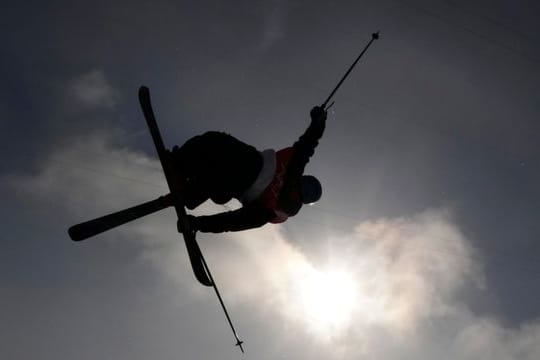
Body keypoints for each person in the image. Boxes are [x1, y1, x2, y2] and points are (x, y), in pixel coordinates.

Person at [172, 106, 327, 233]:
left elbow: (236, 221)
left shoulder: (279, 202)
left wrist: (318, 123)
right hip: (234, 183)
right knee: (216, 164)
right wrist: (197, 224)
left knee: (216, 146)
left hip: (249, 167)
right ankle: (190, 189)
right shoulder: (276, 207)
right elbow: (235, 221)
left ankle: (184, 170)